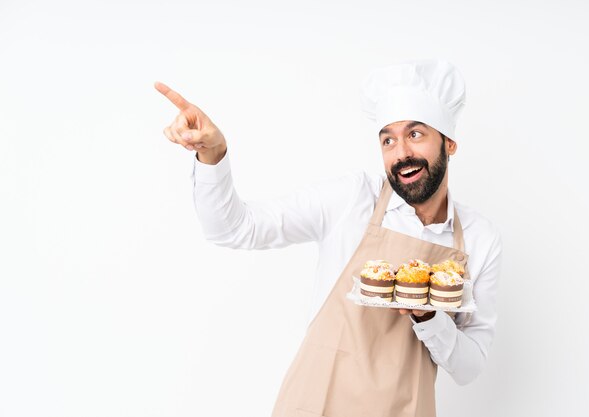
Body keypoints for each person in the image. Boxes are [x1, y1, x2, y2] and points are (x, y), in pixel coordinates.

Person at [155, 59, 502, 417]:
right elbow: (233, 228)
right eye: (388, 140)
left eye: (415, 134)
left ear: (449, 143)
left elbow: (469, 367)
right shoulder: (352, 200)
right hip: (314, 403)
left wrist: (430, 317)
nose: (401, 154)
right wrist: (212, 155)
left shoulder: (480, 239)